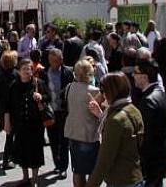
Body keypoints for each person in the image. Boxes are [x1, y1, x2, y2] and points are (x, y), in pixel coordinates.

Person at [86, 72, 144, 187]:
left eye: (103, 91)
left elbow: (104, 160)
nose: (101, 95)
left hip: (120, 180)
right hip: (136, 175)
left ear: (111, 92)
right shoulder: (134, 110)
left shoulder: (115, 120)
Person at [4, 59, 50, 186]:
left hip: (36, 125)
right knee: (21, 151)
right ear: (18, 71)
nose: (27, 71)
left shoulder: (39, 83)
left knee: (35, 151)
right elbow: (7, 106)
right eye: (24, 69)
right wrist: (7, 123)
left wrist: (41, 97)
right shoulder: (14, 85)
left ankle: (34, 179)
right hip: (20, 125)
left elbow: (49, 97)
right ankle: (25, 177)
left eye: (29, 69)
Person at [63, 59, 101, 187]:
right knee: (92, 170)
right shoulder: (94, 91)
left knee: (77, 170)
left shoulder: (69, 87)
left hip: (73, 132)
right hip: (88, 134)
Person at [134, 60, 166, 187]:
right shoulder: (161, 95)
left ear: (144, 77)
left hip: (150, 160)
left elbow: (146, 135)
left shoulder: (148, 101)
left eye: (136, 72)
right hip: (159, 156)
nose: (133, 75)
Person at [41, 48, 73, 178]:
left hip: (63, 111)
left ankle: (63, 167)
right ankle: (57, 164)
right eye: (50, 60)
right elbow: (42, 91)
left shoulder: (67, 72)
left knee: (64, 140)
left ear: (61, 60)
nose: (52, 63)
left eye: (55, 60)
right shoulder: (44, 73)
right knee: (53, 140)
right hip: (50, 111)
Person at [0, 50, 18, 170]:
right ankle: (7, 159)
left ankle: (9, 158)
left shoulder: (1, 75)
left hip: (4, 110)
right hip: (14, 109)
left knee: (10, 135)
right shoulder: (15, 75)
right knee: (11, 136)